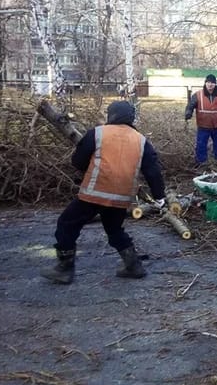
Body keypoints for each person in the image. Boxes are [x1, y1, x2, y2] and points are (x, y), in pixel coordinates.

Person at [42, 101, 167, 285]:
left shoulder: (98, 133)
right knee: (115, 230)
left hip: (95, 192)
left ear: (112, 115)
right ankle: (133, 266)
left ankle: (64, 267)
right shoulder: (141, 140)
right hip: (121, 196)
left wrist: (91, 168)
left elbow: (77, 161)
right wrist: (159, 196)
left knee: (67, 224)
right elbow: (153, 171)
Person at [184, 74, 217, 167]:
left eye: (212, 83)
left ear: (215, 84)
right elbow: (190, 105)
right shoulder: (198, 95)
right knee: (201, 145)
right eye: (208, 82)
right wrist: (188, 113)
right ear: (205, 83)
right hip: (203, 126)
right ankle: (201, 163)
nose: (210, 85)